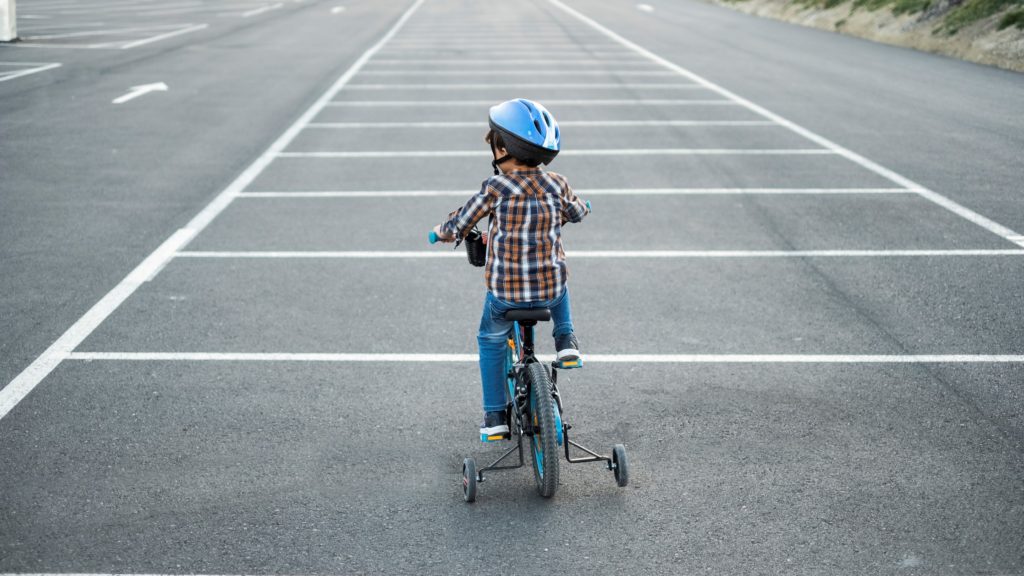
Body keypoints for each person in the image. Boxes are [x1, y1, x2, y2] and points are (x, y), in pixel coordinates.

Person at [431, 98, 590, 442]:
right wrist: (580, 208)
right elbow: (577, 213)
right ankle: (566, 340)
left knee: (490, 338)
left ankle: (495, 416)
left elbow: (461, 222)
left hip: (506, 294)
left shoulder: (495, 188)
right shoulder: (558, 184)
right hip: (548, 290)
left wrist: (441, 233)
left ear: (502, 147)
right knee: (559, 280)